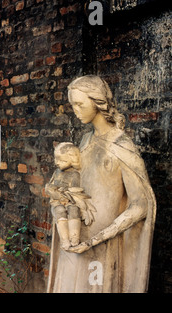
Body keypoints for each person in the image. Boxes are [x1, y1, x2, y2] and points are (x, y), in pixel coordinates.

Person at [47, 75, 156, 293]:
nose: (75, 110)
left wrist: (98, 238)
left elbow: (141, 204)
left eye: (80, 104)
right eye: (72, 104)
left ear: (98, 102)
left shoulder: (121, 146)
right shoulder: (85, 140)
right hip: (75, 237)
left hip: (102, 244)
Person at [46, 142, 95, 250]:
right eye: (56, 159)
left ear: (73, 160)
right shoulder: (57, 172)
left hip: (70, 200)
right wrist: (50, 189)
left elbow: (74, 191)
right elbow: (52, 186)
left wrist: (64, 195)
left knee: (73, 210)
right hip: (57, 201)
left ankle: (74, 238)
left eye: (62, 160)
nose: (57, 163)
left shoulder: (74, 174)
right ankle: (65, 240)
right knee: (59, 210)